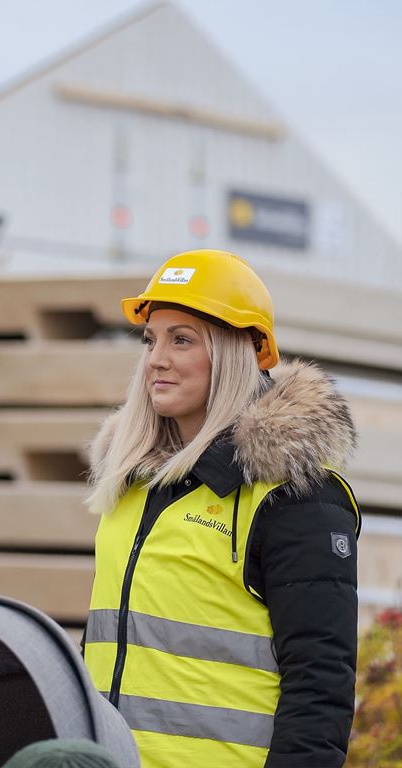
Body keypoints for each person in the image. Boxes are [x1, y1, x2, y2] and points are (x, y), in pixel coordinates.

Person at [82, 249, 360, 768]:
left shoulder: (295, 498)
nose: (156, 358)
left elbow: (319, 691)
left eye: (181, 339)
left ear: (234, 352)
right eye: (151, 339)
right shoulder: (132, 489)